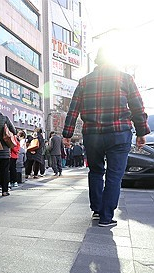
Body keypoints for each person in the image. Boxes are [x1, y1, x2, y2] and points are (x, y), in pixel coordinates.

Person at [62, 47, 150, 227]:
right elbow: (137, 108)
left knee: (95, 172)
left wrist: (67, 134)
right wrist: (141, 132)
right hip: (119, 133)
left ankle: (97, 209)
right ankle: (106, 216)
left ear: (97, 61)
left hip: (92, 134)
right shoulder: (125, 78)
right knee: (114, 175)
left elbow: (73, 110)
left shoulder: (84, 82)